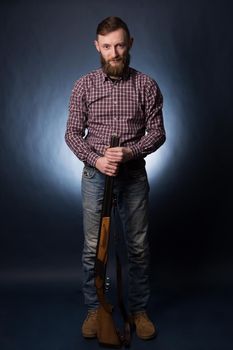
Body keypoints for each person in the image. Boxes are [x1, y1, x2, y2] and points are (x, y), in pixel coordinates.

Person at [65, 16, 166, 340]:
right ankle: (96, 309)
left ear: (130, 44)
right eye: (107, 46)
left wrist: (130, 152)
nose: (114, 52)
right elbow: (71, 134)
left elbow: (158, 133)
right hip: (96, 177)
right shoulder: (84, 85)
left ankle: (138, 311)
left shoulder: (147, 85)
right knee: (94, 247)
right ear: (97, 47)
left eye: (120, 44)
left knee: (137, 247)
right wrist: (96, 159)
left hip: (133, 176)